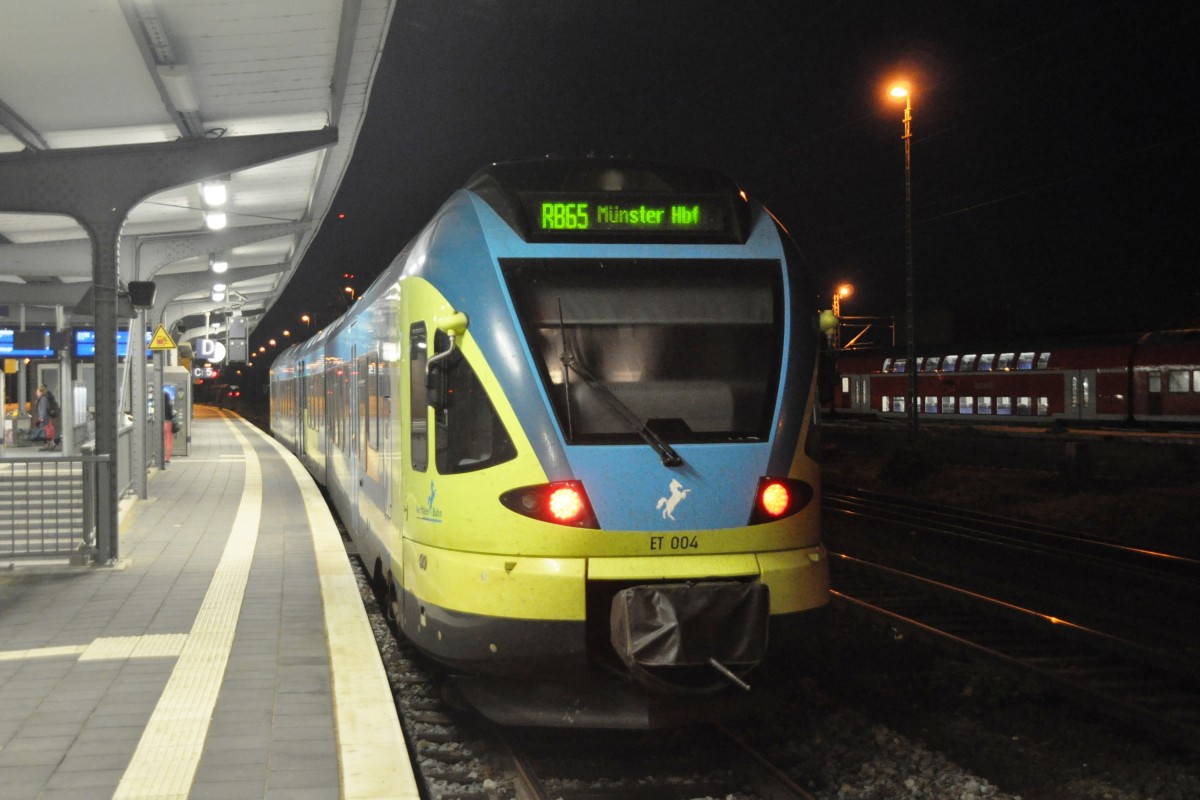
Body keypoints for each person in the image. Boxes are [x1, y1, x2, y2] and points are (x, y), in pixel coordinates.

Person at [31, 384, 59, 451]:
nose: (36, 393)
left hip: (44, 418)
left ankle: (48, 445)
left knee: (45, 432)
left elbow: (43, 409)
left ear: (41, 392)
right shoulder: (42, 398)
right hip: (45, 418)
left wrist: (41, 418)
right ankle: (50, 444)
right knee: (47, 432)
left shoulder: (43, 399)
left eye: (37, 392)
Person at [162, 388, 175, 465]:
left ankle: (160, 456)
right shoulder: (169, 405)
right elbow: (171, 414)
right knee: (168, 441)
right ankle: (167, 458)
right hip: (168, 423)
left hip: (160, 423)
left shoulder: (159, 405)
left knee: (162, 440)